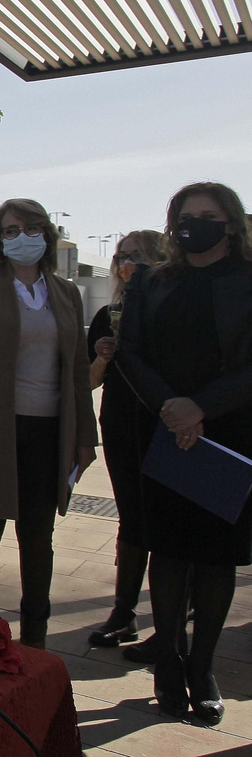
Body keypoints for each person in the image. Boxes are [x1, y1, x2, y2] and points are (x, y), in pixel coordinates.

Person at [118, 183, 252, 725]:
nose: (195, 224)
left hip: (230, 433)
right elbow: (129, 350)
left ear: (233, 224)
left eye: (209, 216)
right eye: (186, 216)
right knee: (169, 552)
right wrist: (171, 407)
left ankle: (203, 667)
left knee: (217, 558)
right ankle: (168, 665)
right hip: (163, 432)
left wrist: (201, 407)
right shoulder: (152, 281)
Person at [0, 198, 98, 649]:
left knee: (37, 538)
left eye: (30, 228)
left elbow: (78, 371)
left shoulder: (66, 293)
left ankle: (35, 641)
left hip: (47, 434)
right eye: (10, 231)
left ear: (46, 235)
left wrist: (85, 438)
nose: (20, 237)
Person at [84, 230, 167, 652]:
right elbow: (89, 381)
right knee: (132, 519)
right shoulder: (108, 314)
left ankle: (171, 624)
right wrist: (102, 355)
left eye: (138, 256)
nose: (127, 264)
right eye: (122, 257)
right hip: (119, 425)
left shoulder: (173, 309)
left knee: (168, 524)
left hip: (167, 428)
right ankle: (124, 614)